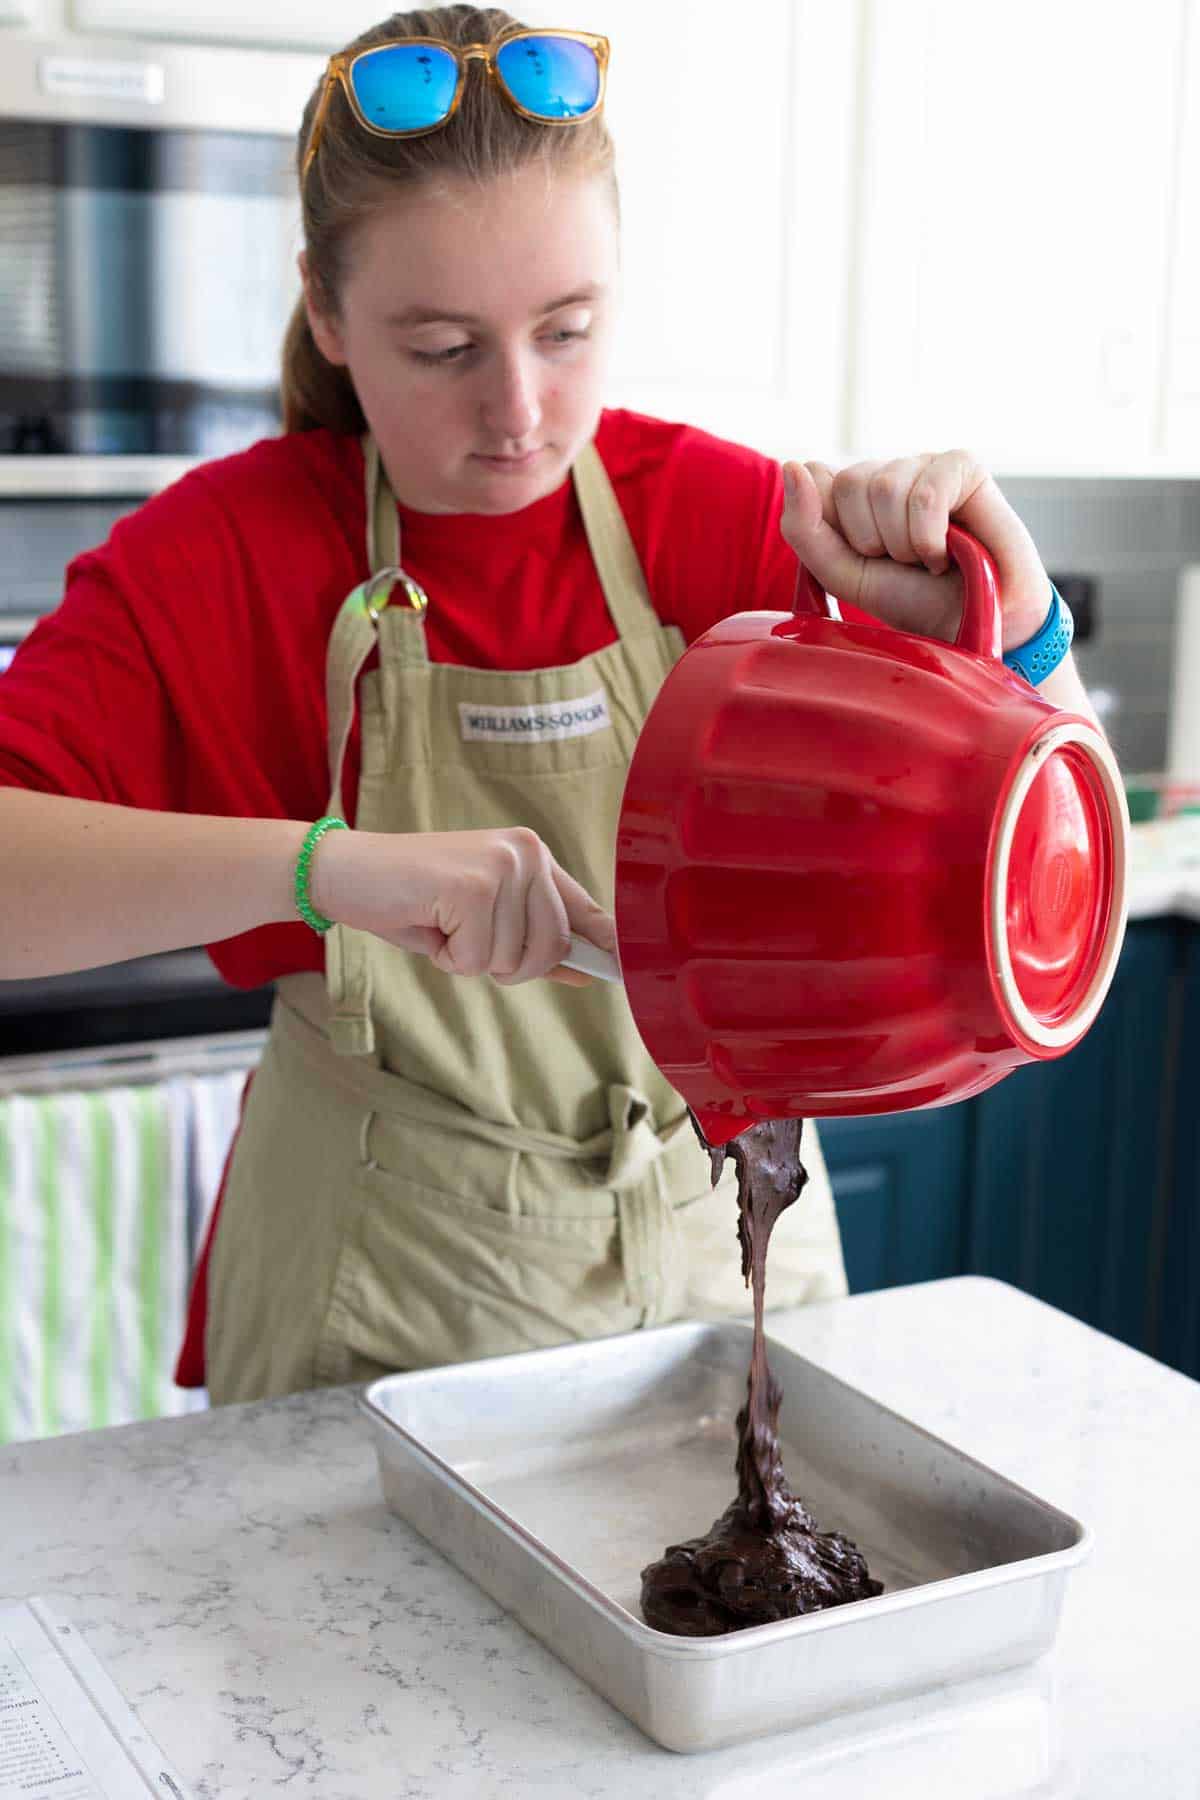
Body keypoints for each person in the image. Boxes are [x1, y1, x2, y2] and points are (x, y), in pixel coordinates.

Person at [0, 6, 1100, 1406]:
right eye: (443, 347)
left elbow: (1045, 943)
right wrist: (330, 871)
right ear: (327, 314)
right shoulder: (227, 558)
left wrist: (1015, 632)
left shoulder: (736, 522)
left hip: (734, 1267)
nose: (518, 411)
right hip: (383, 1303)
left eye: (568, 331)